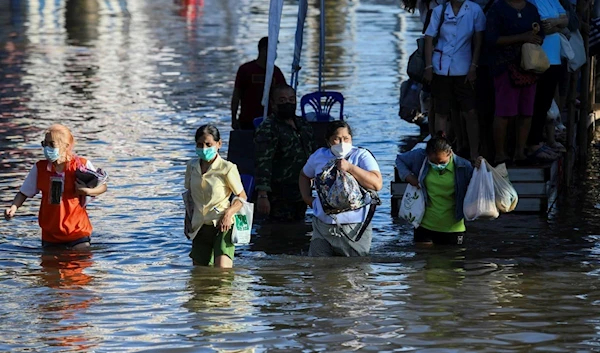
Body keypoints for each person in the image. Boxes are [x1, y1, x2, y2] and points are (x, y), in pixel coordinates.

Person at [4, 124, 107, 249]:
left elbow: (103, 187)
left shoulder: (81, 166)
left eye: (52, 145)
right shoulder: (40, 168)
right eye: (44, 144)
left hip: (77, 231)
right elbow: (24, 193)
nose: (47, 148)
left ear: (66, 146)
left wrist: (86, 191)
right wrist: (13, 207)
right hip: (50, 234)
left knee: (77, 263)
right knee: (49, 267)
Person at [299, 121, 383, 257]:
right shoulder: (319, 156)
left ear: (351, 139)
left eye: (346, 139)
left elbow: (377, 184)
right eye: (337, 139)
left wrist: (350, 168)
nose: (342, 143)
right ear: (328, 141)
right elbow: (304, 175)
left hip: (354, 227)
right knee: (319, 269)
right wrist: (307, 198)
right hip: (323, 226)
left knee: (355, 270)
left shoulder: (361, 155)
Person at [424, 0, 486, 162]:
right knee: (441, 112)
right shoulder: (440, 10)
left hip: (464, 67)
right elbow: (429, 38)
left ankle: (474, 153)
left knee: (470, 112)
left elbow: (479, 39)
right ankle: (441, 153)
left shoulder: (474, 10)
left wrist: (474, 65)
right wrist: (428, 66)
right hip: (441, 67)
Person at [485, 0, 544, 165]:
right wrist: (522, 37)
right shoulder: (498, 8)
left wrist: (537, 37)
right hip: (504, 66)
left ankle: (520, 152)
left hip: (529, 66)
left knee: (526, 111)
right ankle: (500, 154)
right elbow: (491, 38)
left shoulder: (531, 8)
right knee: (504, 111)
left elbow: (541, 33)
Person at [395, 132, 481, 245]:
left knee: (453, 260)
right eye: (433, 162)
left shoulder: (464, 166)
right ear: (427, 156)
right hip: (424, 225)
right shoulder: (420, 157)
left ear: (450, 153)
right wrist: (408, 176)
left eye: (442, 162)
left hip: (453, 228)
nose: (438, 165)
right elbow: (400, 160)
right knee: (423, 259)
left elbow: (477, 187)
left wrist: (480, 168)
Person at [184, 125, 247, 268]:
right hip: (199, 225)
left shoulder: (227, 168)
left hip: (222, 225)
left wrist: (228, 214)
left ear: (219, 144)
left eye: (208, 144)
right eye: (200, 144)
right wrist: (187, 219)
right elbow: (189, 196)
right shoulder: (192, 166)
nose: (204, 148)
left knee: (222, 275)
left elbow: (241, 197)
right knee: (199, 276)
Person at [254, 84, 317, 222]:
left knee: (300, 232)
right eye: (282, 100)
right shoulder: (268, 129)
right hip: (278, 194)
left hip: (302, 191)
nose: (287, 103)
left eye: (291, 99)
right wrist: (262, 195)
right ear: (273, 104)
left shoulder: (303, 125)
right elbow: (263, 163)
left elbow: (314, 154)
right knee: (278, 232)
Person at [526, 0, 568, 162]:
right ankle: (533, 143)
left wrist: (557, 24)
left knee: (545, 103)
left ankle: (540, 141)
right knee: (536, 103)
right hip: (538, 58)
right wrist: (559, 26)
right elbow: (542, 26)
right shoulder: (531, 2)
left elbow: (565, 20)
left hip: (554, 58)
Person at [231, 37, 287, 130]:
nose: (275, 53)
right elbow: (236, 95)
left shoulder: (276, 72)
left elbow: (284, 95)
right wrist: (233, 118)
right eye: (274, 50)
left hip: (271, 121)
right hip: (247, 120)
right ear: (264, 50)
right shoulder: (245, 70)